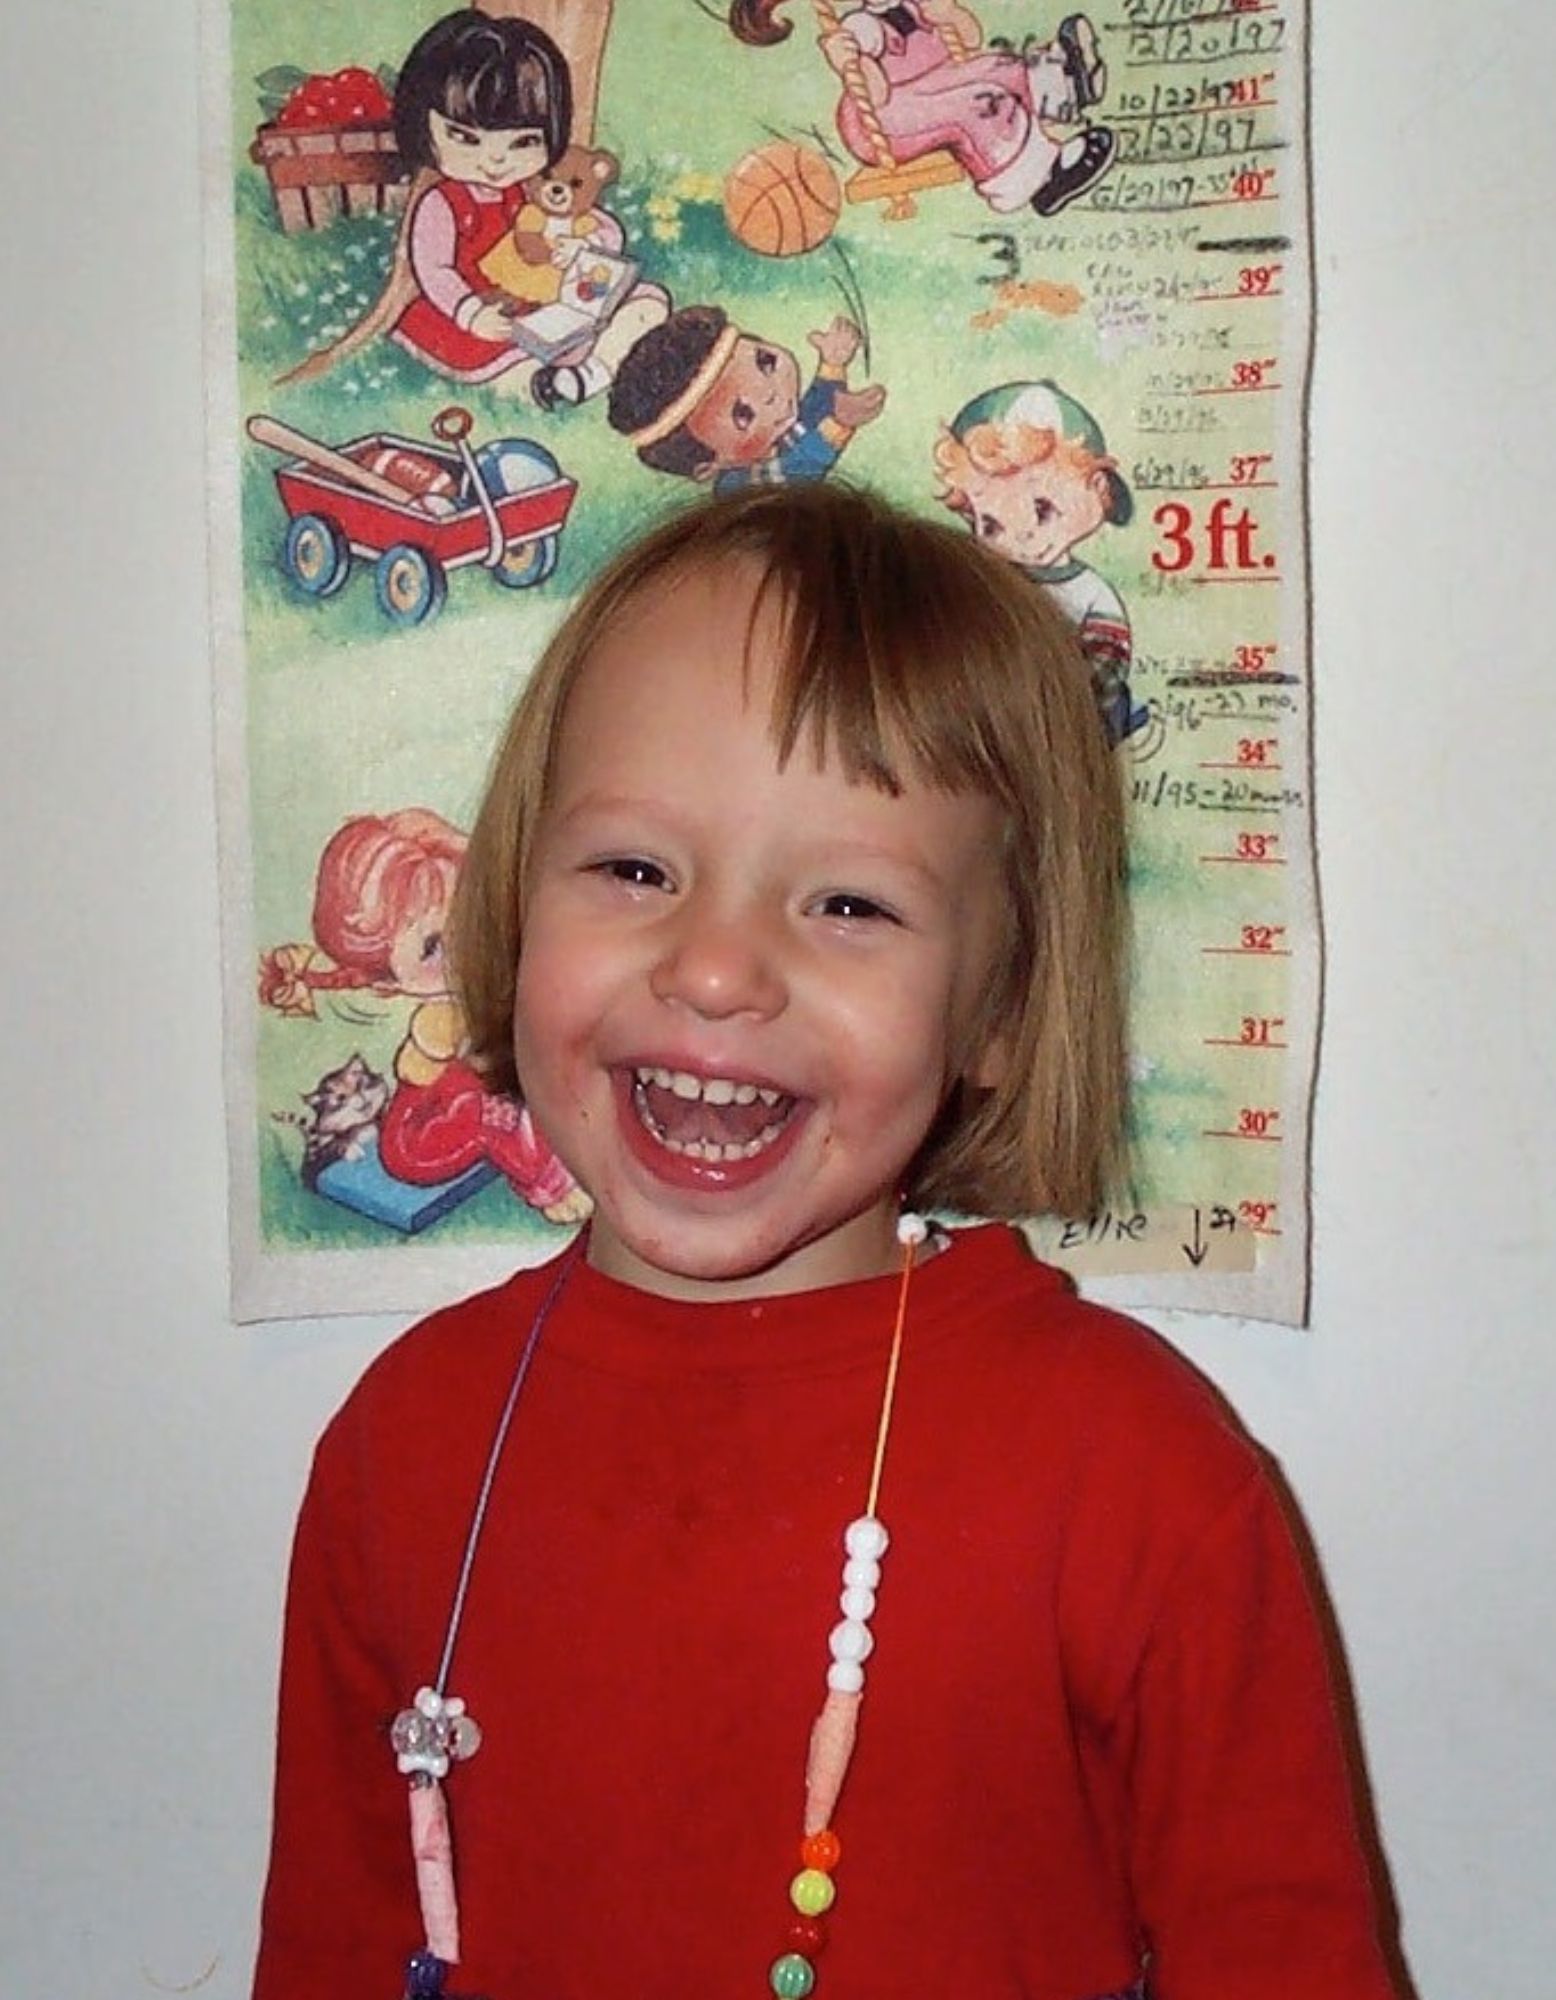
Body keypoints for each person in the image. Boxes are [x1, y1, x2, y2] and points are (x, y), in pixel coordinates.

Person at [253, 485, 1402, 1999]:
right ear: (514, 902)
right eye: (635, 871)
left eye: (850, 901)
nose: (719, 967)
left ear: (996, 1012)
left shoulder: (1135, 1472)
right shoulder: (403, 1445)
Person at [258, 807, 586, 1222]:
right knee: (498, 1108)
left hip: (465, 1103)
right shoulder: (440, 1022)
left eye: (472, 921)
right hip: (421, 1136)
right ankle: (546, 1185)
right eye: (432, 946)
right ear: (388, 984)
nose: (467, 949)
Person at [935, 379, 1150, 747]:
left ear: (1099, 491)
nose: (1020, 538)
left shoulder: (1091, 595)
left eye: (1042, 510)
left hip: (1064, 730)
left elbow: (1106, 672)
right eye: (989, 524)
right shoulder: (981, 584)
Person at [608, 304, 886, 490]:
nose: (770, 392)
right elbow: (798, 469)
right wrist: (837, 427)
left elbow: (811, 411)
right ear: (707, 467)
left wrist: (831, 366)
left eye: (765, 362)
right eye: (743, 414)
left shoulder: (779, 430)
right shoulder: (738, 487)